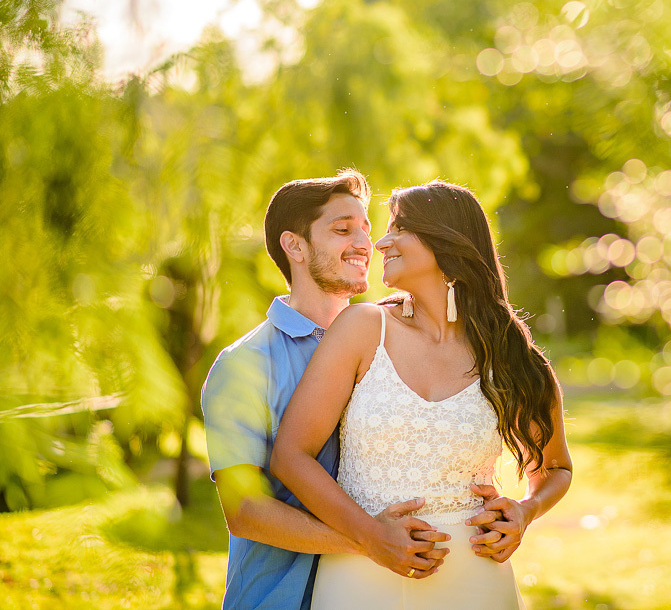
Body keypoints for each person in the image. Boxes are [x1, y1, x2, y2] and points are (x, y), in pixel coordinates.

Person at [271, 179, 573, 609]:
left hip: (477, 580)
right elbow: (290, 456)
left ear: (446, 239)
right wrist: (370, 535)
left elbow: (556, 467)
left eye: (399, 228)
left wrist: (525, 511)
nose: (380, 243)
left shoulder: (510, 355)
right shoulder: (362, 329)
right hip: (360, 576)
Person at [201, 171, 450, 610]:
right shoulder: (244, 365)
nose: (365, 244)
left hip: (383, 593)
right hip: (280, 599)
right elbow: (244, 511)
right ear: (295, 246)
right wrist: (369, 539)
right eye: (342, 230)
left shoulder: (391, 340)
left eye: (366, 229)